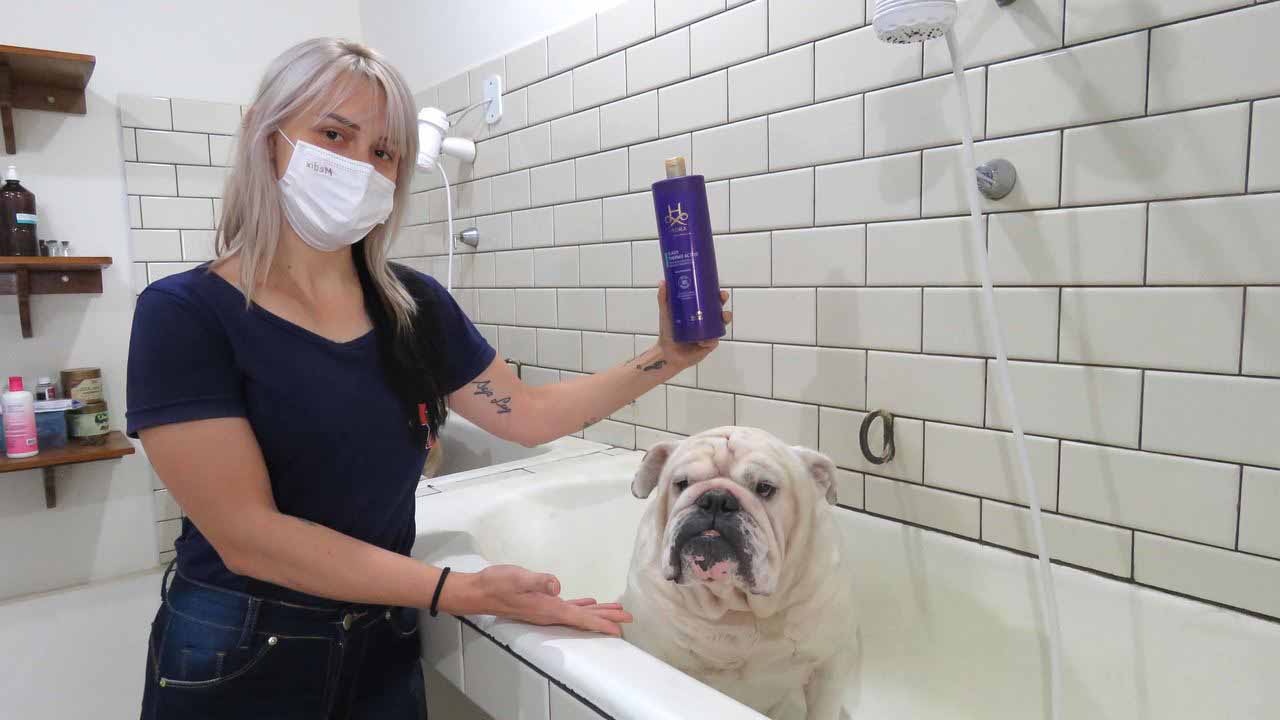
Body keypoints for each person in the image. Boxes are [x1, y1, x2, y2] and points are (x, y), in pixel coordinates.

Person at [126, 38, 729, 719]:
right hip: (240, 648)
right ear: (266, 138)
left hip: (381, 641)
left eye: (383, 152)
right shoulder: (184, 314)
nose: (360, 166)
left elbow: (527, 415)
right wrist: (461, 590)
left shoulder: (412, 307)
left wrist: (666, 356)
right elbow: (248, 536)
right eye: (334, 135)